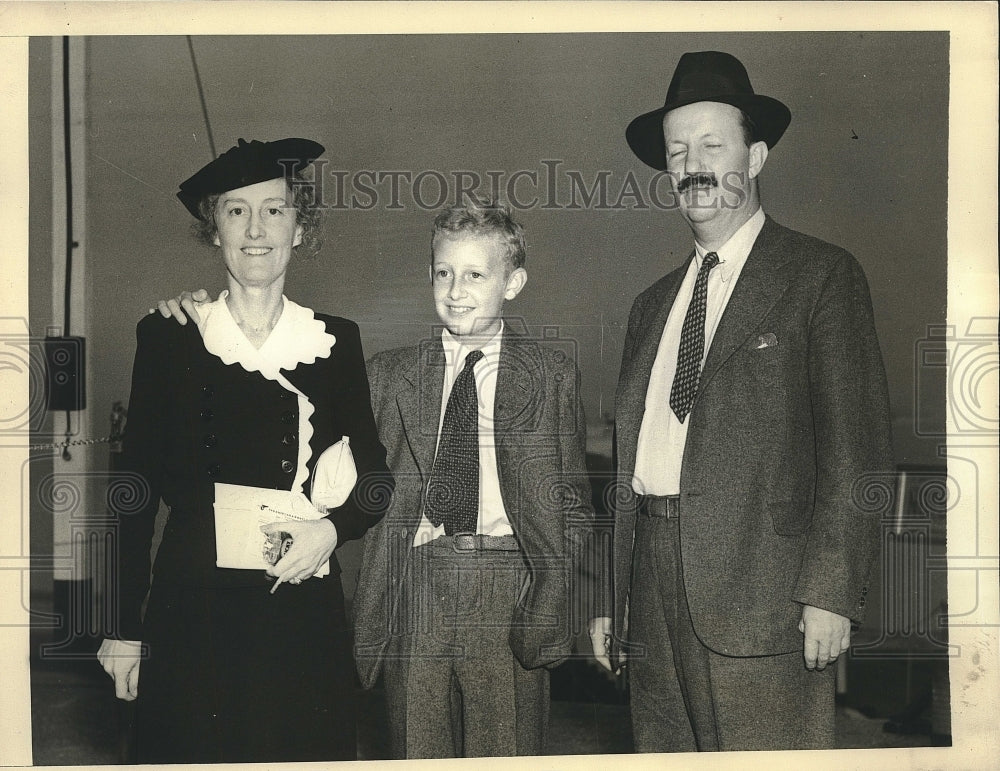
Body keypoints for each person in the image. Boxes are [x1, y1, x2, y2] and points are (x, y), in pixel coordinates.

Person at [590, 51, 894, 751]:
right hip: (653, 594)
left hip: (764, 596)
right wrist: (615, 599)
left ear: (755, 157)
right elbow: (634, 468)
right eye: (677, 150)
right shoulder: (651, 305)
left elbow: (856, 449)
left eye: (711, 144)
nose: (691, 164)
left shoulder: (820, 276)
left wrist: (832, 590)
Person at [97, 137, 392, 763]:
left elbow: (376, 483)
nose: (256, 230)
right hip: (192, 609)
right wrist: (121, 629)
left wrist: (331, 533)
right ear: (214, 231)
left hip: (300, 603)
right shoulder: (171, 334)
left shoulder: (335, 341)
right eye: (236, 211)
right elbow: (134, 494)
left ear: (301, 228)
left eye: (275, 210)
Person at [353, 199, 595, 758]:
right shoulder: (390, 375)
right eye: (444, 273)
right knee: (417, 750)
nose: (456, 290)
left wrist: (547, 597)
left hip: (509, 585)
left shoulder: (549, 376)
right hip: (417, 584)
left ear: (513, 283)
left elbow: (573, 506)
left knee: (505, 751)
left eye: (476, 275)